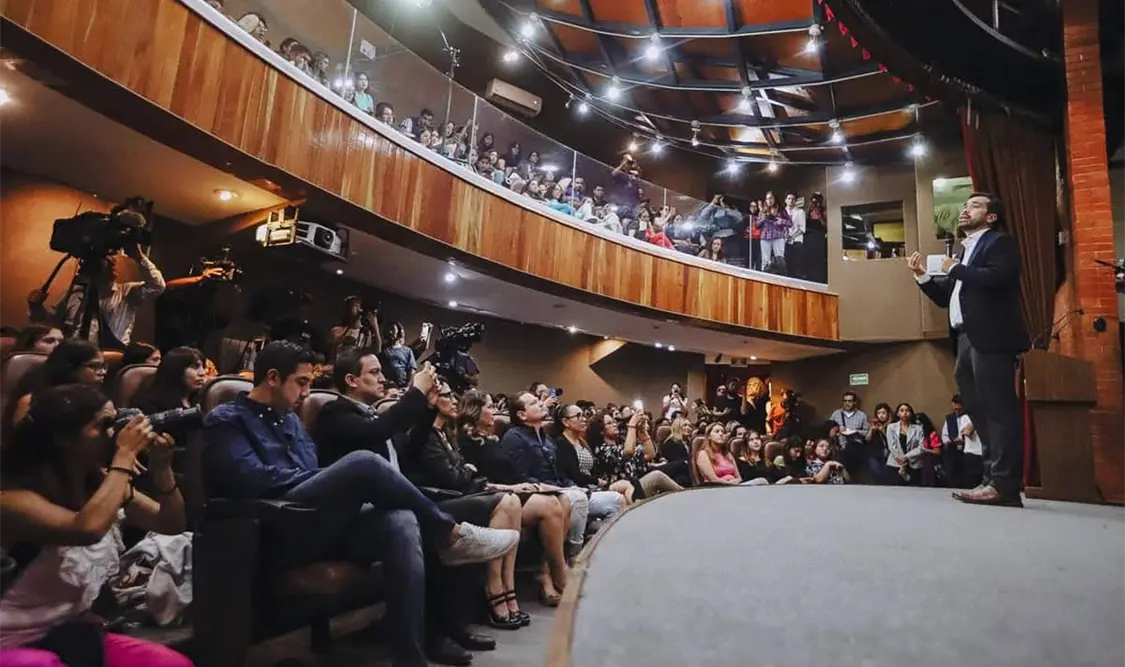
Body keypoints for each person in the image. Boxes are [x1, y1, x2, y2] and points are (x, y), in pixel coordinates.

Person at [202, 341, 518, 667]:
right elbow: (249, 479)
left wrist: (328, 483)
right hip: (273, 527)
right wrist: (333, 480)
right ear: (272, 377)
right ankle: (449, 533)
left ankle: (411, 658)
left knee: (401, 521)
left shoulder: (292, 421)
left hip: (316, 521)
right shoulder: (226, 419)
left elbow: (311, 471)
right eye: (302, 382)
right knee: (363, 463)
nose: (308, 393)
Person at [0, 384, 191, 666]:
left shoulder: (100, 483)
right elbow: (86, 529)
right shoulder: (13, 499)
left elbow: (170, 523)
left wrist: (162, 472)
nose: (115, 434)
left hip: (70, 632)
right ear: (63, 438)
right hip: (11, 639)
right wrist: (124, 457)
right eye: (103, 425)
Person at [908, 192, 1028, 506]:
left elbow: (1000, 277)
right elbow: (949, 298)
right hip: (964, 340)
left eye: (974, 205)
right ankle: (990, 479)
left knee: (999, 411)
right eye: (965, 204)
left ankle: (1005, 485)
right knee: (978, 411)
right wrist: (922, 277)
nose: (965, 209)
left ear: (991, 217)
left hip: (990, 337)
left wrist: (955, 269)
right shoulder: (965, 252)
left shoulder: (999, 242)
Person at [404, 382, 526, 630]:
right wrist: (469, 474)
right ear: (432, 401)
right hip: (439, 500)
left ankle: (507, 587)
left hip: (458, 494)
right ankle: (494, 589)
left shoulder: (446, 433)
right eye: (447, 396)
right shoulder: (425, 434)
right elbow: (453, 477)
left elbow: (464, 472)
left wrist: (468, 474)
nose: (454, 401)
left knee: (512, 501)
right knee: (505, 500)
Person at [455, 391, 570, 607]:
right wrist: (514, 487)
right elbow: (476, 480)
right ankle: (560, 574)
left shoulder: (491, 439)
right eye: (490, 407)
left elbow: (512, 473)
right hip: (495, 495)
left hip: (514, 490)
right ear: (475, 411)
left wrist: (529, 486)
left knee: (563, 499)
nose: (495, 413)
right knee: (552, 505)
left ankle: (546, 574)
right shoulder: (465, 440)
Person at [28, 229, 166, 349]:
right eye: (106, 263)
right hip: (73, 354)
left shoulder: (126, 292)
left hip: (109, 355)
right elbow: (51, 323)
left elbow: (157, 286)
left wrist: (139, 257)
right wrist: (36, 307)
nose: (113, 267)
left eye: (112, 264)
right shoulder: (75, 294)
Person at [4, 340, 106, 429]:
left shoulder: (100, 402)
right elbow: (22, 446)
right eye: (94, 366)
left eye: (103, 366)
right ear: (70, 368)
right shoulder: (31, 403)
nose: (102, 372)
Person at [942, 394, 984, 489]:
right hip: (956, 448)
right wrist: (951, 441)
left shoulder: (969, 417)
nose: (957, 410)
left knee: (973, 478)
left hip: (974, 451)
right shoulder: (950, 418)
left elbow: (967, 432)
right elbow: (946, 435)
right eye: (955, 407)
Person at [330, 296, 381, 362]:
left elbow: (376, 351)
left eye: (349, 306)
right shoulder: (336, 331)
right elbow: (332, 356)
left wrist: (375, 327)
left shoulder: (366, 334)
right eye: (345, 307)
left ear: (360, 308)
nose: (345, 309)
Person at [884, 403, 924, 485]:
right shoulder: (891, 427)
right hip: (895, 463)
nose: (905, 413)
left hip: (914, 463)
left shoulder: (918, 428)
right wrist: (900, 459)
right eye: (902, 411)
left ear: (911, 413)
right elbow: (892, 446)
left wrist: (906, 457)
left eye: (907, 410)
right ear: (898, 413)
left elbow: (921, 447)